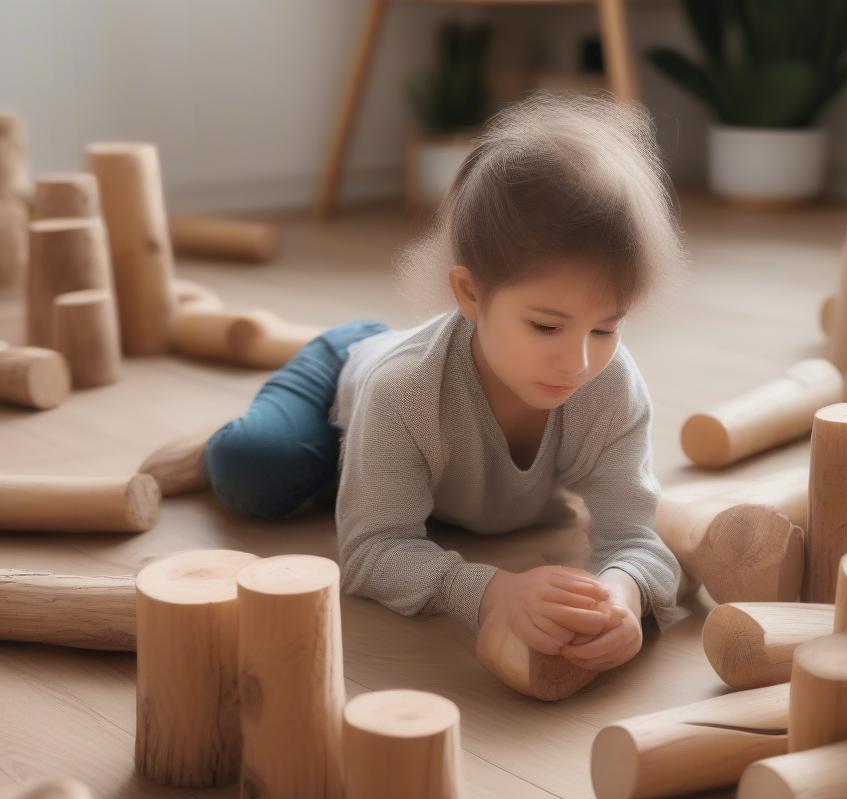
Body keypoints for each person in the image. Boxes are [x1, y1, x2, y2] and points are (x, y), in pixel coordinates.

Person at [202, 91, 689, 676]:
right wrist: (490, 592)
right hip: (348, 373)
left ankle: (373, 475)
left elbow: (636, 536)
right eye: (545, 326)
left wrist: (624, 595)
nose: (578, 362)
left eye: (606, 327)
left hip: (416, 446)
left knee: (386, 489)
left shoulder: (610, 386)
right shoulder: (404, 388)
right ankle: (233, 438)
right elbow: (370, 551)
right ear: (470, 294)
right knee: (256, 469)